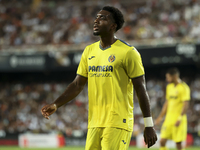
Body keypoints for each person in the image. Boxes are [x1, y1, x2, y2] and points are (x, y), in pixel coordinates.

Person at [41, 6, 157, 150]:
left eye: (102, 18)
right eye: (96, 17)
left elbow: (140, 88)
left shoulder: (129, 52)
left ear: (112, 26)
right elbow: (77, 84)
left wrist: (149, 125)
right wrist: (56, 104)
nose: (96, 20)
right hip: (94, 122)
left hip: (117, 121)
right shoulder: (89, 51)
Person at [155, 68, 190, 150]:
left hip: (179, 120)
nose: (167, 79)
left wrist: (180, 118)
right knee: (162, 141)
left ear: (174, 76)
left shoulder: (184, 88)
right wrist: (160, 117)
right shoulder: (169, 87)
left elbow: (185, 104)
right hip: (168, 120)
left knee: (178, 144)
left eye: (168, 77)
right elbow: (166, 103)